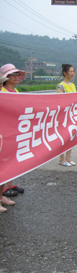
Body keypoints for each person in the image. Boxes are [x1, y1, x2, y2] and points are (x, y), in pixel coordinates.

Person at [0, 64, 26, 199]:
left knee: (11, 158)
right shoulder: (2, 92)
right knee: (3, 160)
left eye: (17, 74)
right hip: (4, 131)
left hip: (15, 129)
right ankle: (3, 187)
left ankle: (9, 183)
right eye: (12, 74)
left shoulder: (16, 92)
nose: (16, 77)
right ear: (6, 77)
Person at [0, 73, 16, 212]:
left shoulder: (5, 95)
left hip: (5, 136)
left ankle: (0, 196)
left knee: (3, 167)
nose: (1, 85)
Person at [57, 64, 77, 167]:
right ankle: (62, 158)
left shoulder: (72, 85)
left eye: (73, 71)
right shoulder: (61, 85)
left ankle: (69, 157)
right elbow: (60, 101)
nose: (72, 73)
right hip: (64, 115)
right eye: (70, 71)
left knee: (71, 137)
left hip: (72, 114)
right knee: (63, 137)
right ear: (64, 73)